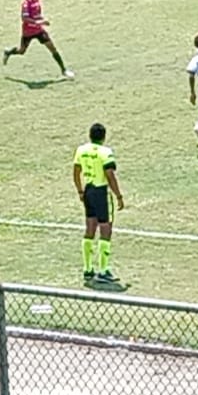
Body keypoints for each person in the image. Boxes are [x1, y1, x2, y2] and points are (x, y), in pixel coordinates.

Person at [72, 122, 125, 284]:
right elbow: (110, 175)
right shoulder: (105, 152)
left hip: (88, 190)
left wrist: (80, 191)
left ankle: (87, 269)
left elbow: (76, 172)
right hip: (101, 193)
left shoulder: (81, 150)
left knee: (89, 229)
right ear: (103, 136)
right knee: (105, 230)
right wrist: (118, 196)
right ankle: (103, 270)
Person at [3, 0, 71, 78]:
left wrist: (42, 20)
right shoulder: (25, 4)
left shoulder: (37, 0)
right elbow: (25, 19)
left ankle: (64, 70)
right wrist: (39, 22)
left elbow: (37, 14)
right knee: (22, 51)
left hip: (39, 31)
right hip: (28, 32)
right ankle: (8, 52)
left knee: (52, 48)